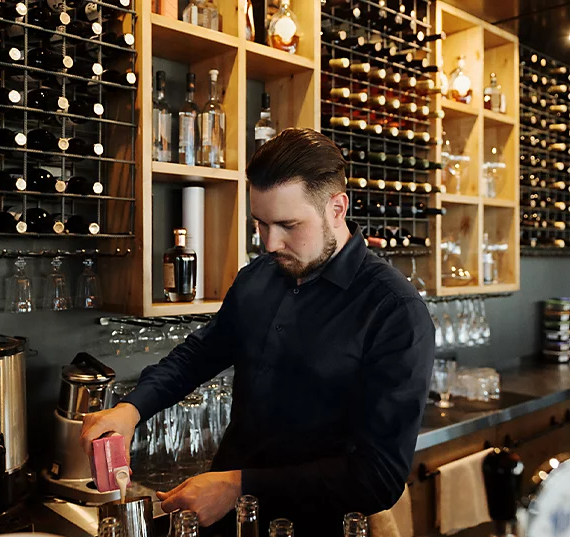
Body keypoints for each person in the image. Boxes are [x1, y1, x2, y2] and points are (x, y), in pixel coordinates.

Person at [81, 128, 435, 537]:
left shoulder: (394, 311)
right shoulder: (259, 277)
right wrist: (131, 409)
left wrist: (238, 486)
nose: (269, 243)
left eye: (288, 224)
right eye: (260, 224)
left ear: (337, 208)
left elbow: (379, 478)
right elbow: (198, 355)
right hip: (227, 522)